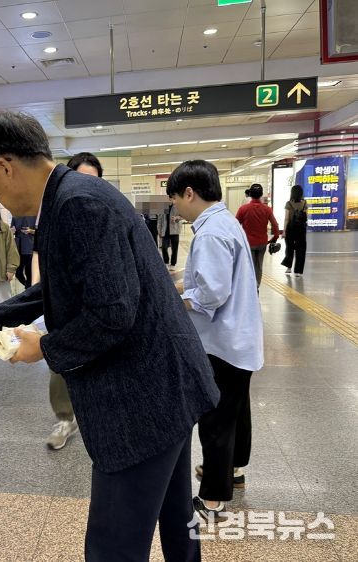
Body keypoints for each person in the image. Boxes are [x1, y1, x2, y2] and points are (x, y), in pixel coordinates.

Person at [0, 112, 219, 561]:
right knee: (177, 523)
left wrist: (43, 348)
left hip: (141, 400)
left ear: (5, 166)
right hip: (166, 386)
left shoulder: (77, 205)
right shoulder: (72, 196)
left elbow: (112, 313)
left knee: (112, 547)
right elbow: (62, 286)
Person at [166, 160, 263, 521]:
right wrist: (177, 285)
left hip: (222, 343)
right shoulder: (225, 222)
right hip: (239, 339)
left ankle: (213, 500)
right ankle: (233, 470)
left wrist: (172, 301)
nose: (176, 207)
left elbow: (210, 294)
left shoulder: (209, 234)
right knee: (236, 410)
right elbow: (204, 279)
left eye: (175, 199)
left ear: (190, 193)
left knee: (216, 419)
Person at [37, 151, 106, 450]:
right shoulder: (55, 215)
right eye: (81, 179)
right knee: (60, 363)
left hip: (98, 312)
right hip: (66, 309)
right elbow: (43, 262)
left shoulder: (106, 216)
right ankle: (65, 418)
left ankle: (99, 416)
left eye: (94, 181)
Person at [235, 184, 280, 288]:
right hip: (262, 243)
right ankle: (257, 286)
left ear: (250, 194)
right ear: (261, 194)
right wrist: (275, 238)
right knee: (259, 265)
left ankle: (250, 287)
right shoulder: (267, 209)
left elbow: (235, 225)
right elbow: (275, 225)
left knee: (249, 266)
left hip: (248, 243)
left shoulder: (243, 209)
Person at [281, 184, 308, 277]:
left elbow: (286, 218)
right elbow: (305, 217)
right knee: (301, 249)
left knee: (289, 248)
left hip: (290, 228)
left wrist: (284, 231)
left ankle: (289, 268)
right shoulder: (304, 203)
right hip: (301, 229)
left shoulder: (288, 203)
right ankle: (298, 271)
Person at [10, 215, 36, 289]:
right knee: (18, 273)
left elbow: (41, 231)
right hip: (18, 249)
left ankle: (29, 289)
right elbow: (11, 231)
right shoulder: (15, 216)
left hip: (30, 248)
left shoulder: (34, 215)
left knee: (29, 274)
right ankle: (28, 288)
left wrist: (30, 231)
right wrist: (12, 231)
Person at [158, 199, 183, 271]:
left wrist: (177, 218)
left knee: (174, 248)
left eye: (170, 198)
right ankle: (166, 262)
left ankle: (173, 264)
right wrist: (159, 230)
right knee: (164, 247)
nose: (169, 200)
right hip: (165, 230)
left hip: (175, 230)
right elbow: (159, 219)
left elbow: (183, 216)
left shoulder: (177, 206)